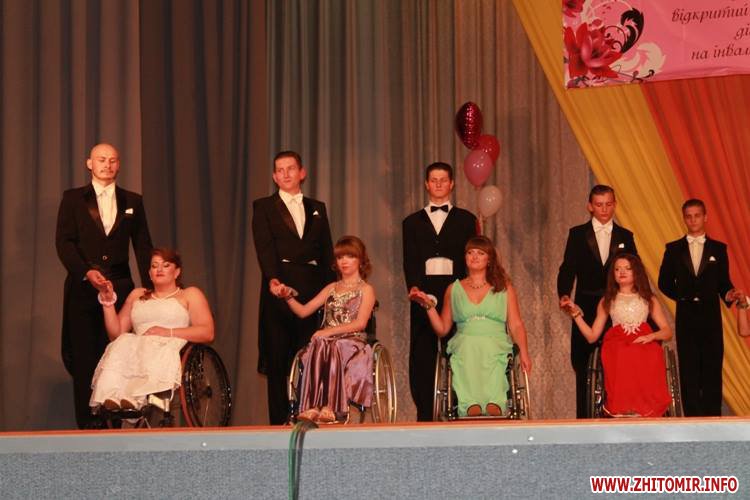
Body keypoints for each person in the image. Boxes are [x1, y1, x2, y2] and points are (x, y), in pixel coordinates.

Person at [56, 143, 153, 428]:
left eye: (112, 160)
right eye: (101, 159)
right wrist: (86, 272)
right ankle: (89, 425)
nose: (107, 165)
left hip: (120, 286)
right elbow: (64, 243)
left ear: (118, 164)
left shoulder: (133, 200)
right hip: (84, 288)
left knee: (118, 355)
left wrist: (150, 288)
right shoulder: (73, 199)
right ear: (89, 163)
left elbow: (143, 246)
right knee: (85, 356)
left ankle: (115, 423)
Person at [252, 150, 335, 424]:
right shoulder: (263, 206)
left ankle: (308, 415)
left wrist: (333, 287)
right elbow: (264, 248)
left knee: (310, 355)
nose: (285, 174)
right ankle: (278, 422)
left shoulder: (317, 207)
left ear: (302, 173)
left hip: (313, 288)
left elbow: (326, 251)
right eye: (280, 170)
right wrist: (273, 280)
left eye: (290, 168)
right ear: (274, 176)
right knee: (278, 357)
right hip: (280, 287)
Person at [409, 236, 531, 417]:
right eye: (470, 252)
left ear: (489, 259)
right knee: (466, 347)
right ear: (465, 257)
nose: (474, 257)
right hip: (464, 341)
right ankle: (469, 404)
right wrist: (429, 306)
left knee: (489, 347)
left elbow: (516, 324)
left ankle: (495, 402)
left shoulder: (504, 288)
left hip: (495, 341)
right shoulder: (453, 289)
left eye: (480, 253)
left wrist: (525, 353)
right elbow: (442, 329)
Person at [90, 248, 215, 411]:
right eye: (154, 266)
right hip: (137, 346)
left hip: (169, 343)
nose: (159, 269)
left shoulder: (189, 294)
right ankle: (113, 395)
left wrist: (168, 332)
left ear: (177, 272)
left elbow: (207, 332)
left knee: (150, 345)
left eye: (166, 265)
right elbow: (116, 334)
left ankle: (136, 396)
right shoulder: (137, 295)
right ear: (149, 273)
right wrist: (108, 302)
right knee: (123, 342)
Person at [271, 236, 376, 423]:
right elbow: (303, 311)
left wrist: (328, 332)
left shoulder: (366, 290)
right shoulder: (331, 288)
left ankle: (332, 407)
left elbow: (360, 323)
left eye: (350, 256)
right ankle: (312, 405)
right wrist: (287, 297)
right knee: (320, 343)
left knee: (332, 344)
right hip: (327, 341)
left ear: (360, 260)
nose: (344, 261)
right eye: (340, 257)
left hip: (353, 342)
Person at [402, 162, 477, 421]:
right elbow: (410, 260)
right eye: (433, 180)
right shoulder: (411, 222)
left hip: (456, 292)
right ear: (426, 184)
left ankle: (458, 409)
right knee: (422, 353)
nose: (438, 184)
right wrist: (414, 288)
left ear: (452, 184)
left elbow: (470, 258)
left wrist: (469, 290)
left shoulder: (467, 219)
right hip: (422, 294)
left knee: (456, 349)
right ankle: (425, 413)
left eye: (443, 180)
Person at [557, 184, 637, 418]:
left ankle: (617, 412)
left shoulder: (626, 236)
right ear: (590, 206)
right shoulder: (577, 234)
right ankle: (584, 418)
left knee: (618, 363)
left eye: (608, 204)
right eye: (599, 204)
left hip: (617, 306)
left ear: (615, 205)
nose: (604, 209)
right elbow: (567, 268)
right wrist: (564, 294)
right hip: (585, 303)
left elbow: (636, 269)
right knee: (583, 363)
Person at [562, 254, 672, 417]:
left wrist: (651, 336)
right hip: (617, 342)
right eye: (617, 269)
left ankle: (644, 406)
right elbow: (592, 336)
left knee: (648, 353)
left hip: (644, 340)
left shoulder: (649, 299)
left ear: (636, 272)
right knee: (624, 353)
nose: (622, 272)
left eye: (627, 268)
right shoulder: (607, 300)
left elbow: (667, 331)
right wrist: (576, 315)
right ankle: (623, 407)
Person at [658, 199, 738, 416]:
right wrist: (683, 297)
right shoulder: (673, 249)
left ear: (705, 217)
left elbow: (723, 283)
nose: (693, 220)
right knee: (689, 368)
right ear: (684, 219)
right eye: (689, 216)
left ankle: (713, 416)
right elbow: (664, 282)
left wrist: (730, 294)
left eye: (697, 215)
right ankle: (692, 418)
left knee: (712, 367)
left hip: (711, 316)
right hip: (686, 317)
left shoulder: (718, 249)